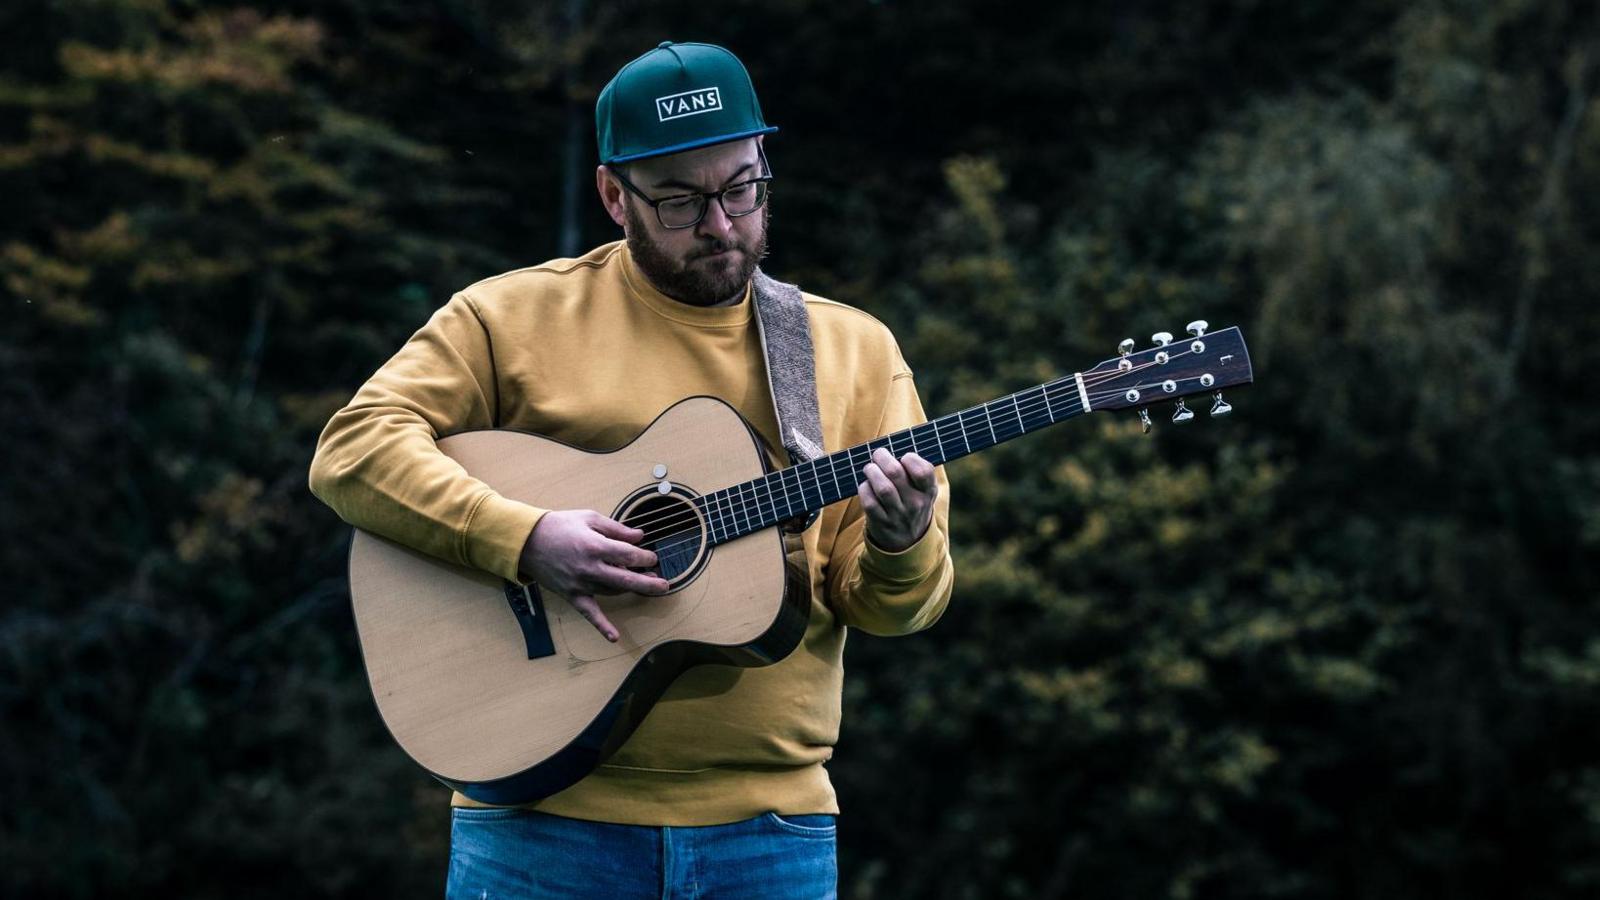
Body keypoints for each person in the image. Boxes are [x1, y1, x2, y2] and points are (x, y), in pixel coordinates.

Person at [308, 40, 954, 899]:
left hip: (771, 836)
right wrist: (525, 536)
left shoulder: (852, 351)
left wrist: (904, 542)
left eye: (741, 188)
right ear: (616, 195)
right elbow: (352, 448)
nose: (722, 225)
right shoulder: (513, 317)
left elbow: (887, 611)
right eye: (683, 200)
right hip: (536, 826)